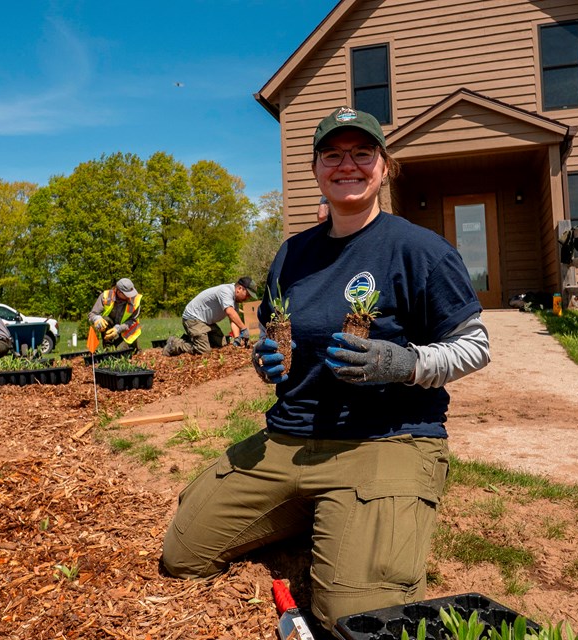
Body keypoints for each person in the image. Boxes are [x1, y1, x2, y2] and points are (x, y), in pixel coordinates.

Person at [161, 106, 490, 633]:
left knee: (354, 619)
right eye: (333, 155)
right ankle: (324, 514)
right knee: (183, 556)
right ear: (316, 168)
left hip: (386, 440)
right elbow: (277, 332)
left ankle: (353, 519)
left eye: (362, 153)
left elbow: (475, 346)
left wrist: (406, 364)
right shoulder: (292, 255)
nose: (347, 165)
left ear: (384, 166)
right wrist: (265, 359)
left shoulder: (419, 249)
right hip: (290, 439)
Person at [162, 277, 258, 356]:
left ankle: (195, 339)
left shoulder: (235, 301)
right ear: (240, 289)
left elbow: (233, 320)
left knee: (222, 345)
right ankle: (174, 344)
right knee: (203, 350)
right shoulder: (226, 291)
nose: (247, 299)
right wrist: (244, 328)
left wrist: (237, 338)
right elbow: (229, 312)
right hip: (193, 318)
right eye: (248, 295)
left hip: (206, 322)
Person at [88, 277, 142, 351]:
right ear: (119, 292)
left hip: (127, 331)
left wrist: (118, 329)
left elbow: (133, 321)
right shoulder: (105, 296)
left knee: (121, 351)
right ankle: (108, 348)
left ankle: (135, 348)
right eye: (127, 294)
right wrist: (97, 319)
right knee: (104, 320)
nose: (130, 296)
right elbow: (92, 314)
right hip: (111, 328)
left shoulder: (136, 301)